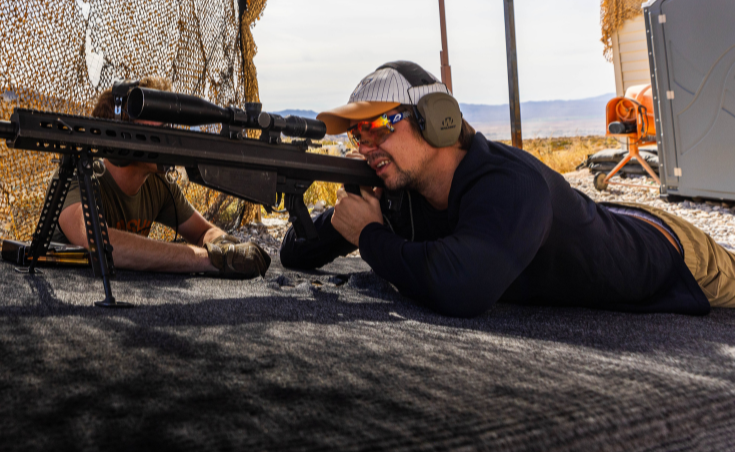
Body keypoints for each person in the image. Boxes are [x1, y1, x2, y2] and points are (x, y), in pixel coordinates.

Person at [281, 61, 735, 317]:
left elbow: (462, 286)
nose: (367, 145)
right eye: (358, 135)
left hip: (671, 252)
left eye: (379, 126)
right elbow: (294, 253)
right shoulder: (398, 184)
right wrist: (344, 216)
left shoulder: (511, 184)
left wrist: (369, 236)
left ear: (437, 120)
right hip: (587, 224)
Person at [53, 76, 270, 279]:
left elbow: (203, 231)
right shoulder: (78, 175)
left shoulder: (158, 183)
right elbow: (97, 241)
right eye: (160, 121)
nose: (171, 132)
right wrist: (209, 259)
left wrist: (223, 245)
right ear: (121, 131)